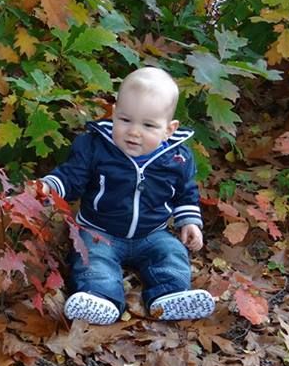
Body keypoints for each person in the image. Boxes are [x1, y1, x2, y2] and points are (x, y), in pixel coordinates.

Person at [38, 67, 215, 325]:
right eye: (125, 120)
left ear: (169, 129)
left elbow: (185, 192)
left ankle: (170, 294)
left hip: (153, 233)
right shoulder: (96, 146)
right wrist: (50, 186)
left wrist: (189, 222)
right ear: (114, 113)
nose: (134, 131)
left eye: (148, 125)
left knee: (172, 253)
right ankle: (100, 297)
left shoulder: (176, 158)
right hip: (100, 230)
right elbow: (72, 176)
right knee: (92, 260)